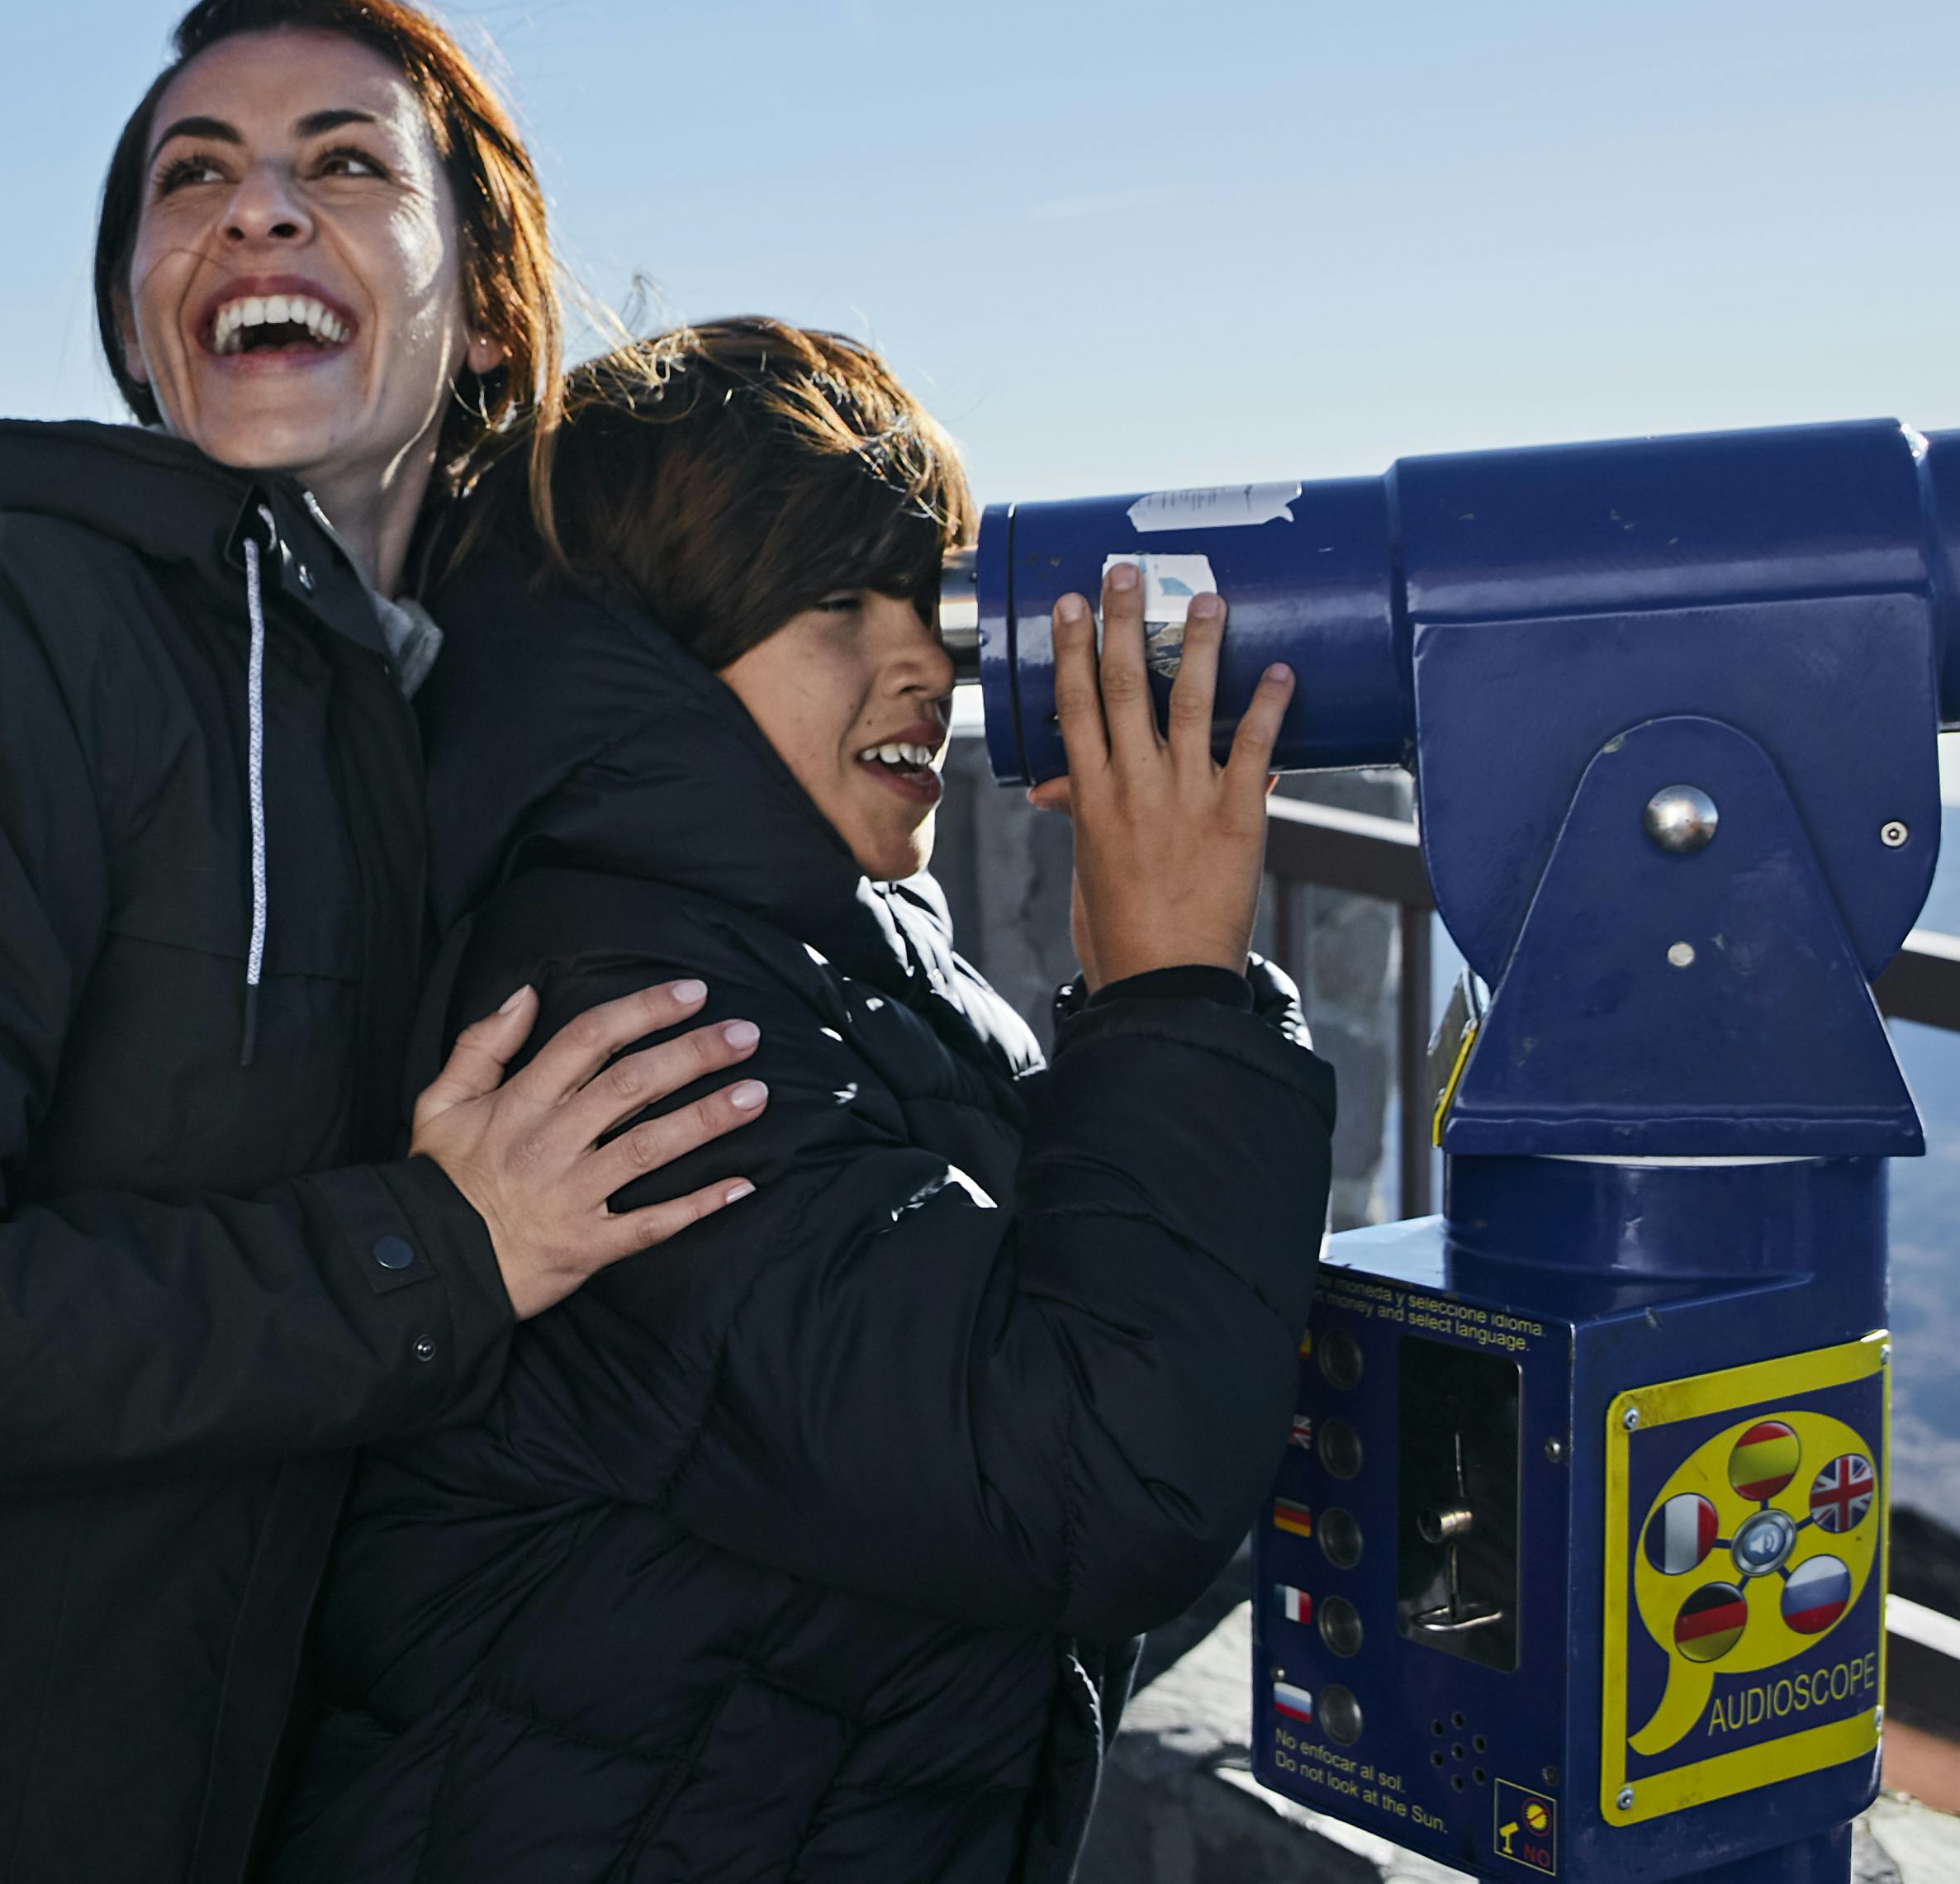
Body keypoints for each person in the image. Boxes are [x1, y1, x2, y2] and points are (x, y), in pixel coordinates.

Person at [0, 0, 771, 1884]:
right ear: (144, 318)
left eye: (345, 163)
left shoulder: (464, 720)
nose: (257, 209)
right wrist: (438, 1250)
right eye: (190, 174)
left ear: (479, 307)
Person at [269, 320, 1341, 1884]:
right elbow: (1096, 1478)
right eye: (840, 599)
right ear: (652, 646)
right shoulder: (627, 1017)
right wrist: (1171, 997)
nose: (931, 656)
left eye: (932, 595)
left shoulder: (831, 954)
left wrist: (1149, 996)